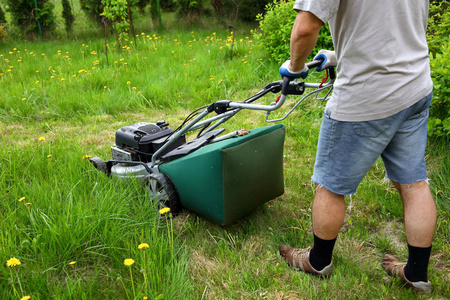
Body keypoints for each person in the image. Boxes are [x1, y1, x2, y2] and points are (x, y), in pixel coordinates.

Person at [278, 0, 437, 293]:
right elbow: (394, 27)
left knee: (330, 185)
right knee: (414, 183)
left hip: (368, 97)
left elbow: (304, 30)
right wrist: (339, 56)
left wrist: (295, 66)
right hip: (415, 87)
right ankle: (416, 273)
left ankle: (318, 260)